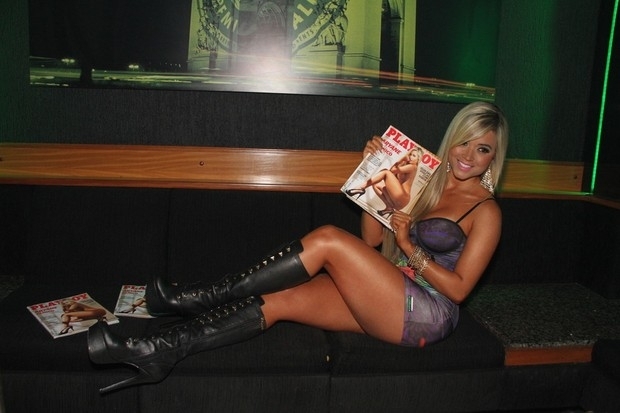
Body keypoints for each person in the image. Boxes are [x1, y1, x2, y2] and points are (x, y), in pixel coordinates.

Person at [87, 101, 508, 393]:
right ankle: (156, 352)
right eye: (464, 142)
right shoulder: (428, 181)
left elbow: (458, 290)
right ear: (452, 140)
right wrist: (373, 168)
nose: (469, 155)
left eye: (483, 149)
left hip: (427, 313)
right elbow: (370, 240)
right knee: (280, 299)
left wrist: (408, 247)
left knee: (328, 238)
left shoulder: (486, 210)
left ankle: (196, 296)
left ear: (494, 158)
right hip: (392, 290)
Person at [346, 145, 423, 217]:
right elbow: (392, 170)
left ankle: (361, 187)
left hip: (402, 197)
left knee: (385, 172)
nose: (410, 157)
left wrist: (402, 159)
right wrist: (402, 161)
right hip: (398, 199)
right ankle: (389, 207)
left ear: (418, 159)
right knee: (376, 184)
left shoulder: (413, 167)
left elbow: (391, 171)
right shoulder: (405, 165)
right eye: (410, 154)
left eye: (414, 156)